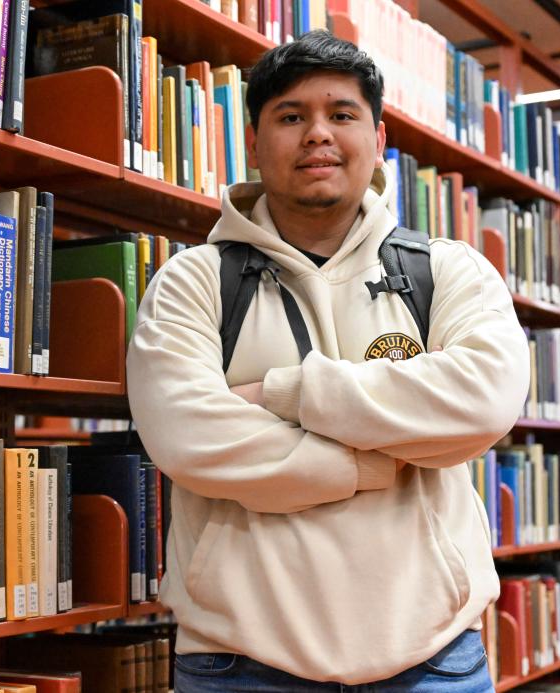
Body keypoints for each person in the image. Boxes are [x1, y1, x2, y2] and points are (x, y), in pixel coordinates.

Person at [126, 30, 530, 691]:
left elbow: (484, 399)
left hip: (432, 662)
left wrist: (286, 392)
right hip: (241, 665)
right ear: (253, 141)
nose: (318, 133)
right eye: (291, 116)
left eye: (341, 114)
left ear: (377, 138)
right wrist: (378, 456)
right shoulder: (192, 282)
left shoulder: (447, 270)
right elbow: (186, 436)